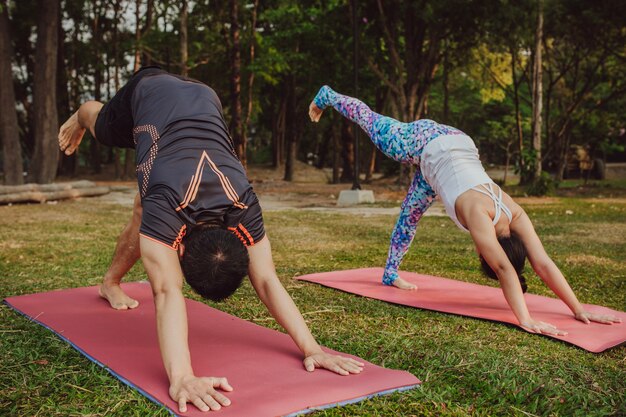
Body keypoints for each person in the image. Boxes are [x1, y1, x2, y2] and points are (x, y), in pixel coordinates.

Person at [57, 68, 364, 414]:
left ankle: (109, 282)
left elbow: (265, 279)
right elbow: (166, 291)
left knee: (144, 211)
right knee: (105, 130)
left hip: (205, 96)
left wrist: (313, 348)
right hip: (148, 91)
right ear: (180, 248)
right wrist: (182, 377)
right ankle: (83, 112)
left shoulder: (244, 204)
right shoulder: (168, 205)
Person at [309, 85, 621, 336]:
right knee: (374, 126)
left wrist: (578, 309)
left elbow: (542, 262)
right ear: (490, 252)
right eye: (483, 255)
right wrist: (525, 320)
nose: (479, 253)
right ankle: (329, 96)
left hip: (453, 151)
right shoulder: (479, 221)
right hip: (424, 143)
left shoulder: (515, 214)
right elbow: (505, 270)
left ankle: (390, 273)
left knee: (410, 216)